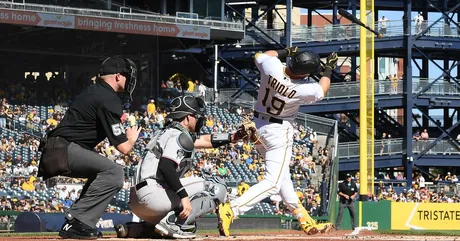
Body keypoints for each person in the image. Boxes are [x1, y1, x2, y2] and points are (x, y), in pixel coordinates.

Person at [217, 47, 338, 236]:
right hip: (278, 131)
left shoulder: (272, 66)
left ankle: (304, 220)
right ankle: (232, 208)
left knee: (283, 178)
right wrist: (329, 68)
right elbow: (322, 88)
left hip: (258, 126)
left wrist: (287, 51)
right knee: (273, 182)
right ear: (304, 73)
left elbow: (261, 55)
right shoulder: (302, 87)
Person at [37, 56, 141, 239]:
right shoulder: (108, 98)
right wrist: (131, 139)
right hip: (62, 149)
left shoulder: (95, 91)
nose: (129, 79)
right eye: (126, 75)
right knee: (114, 173)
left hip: (57, 148)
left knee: (101, 173)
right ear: (118, 76)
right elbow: (124, 148)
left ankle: (76, 222)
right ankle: (79, 221)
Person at [115, 95, 241, 239]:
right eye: (195, 115)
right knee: (217, 185)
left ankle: (137, 230)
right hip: (154, 196)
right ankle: (173, 223)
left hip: (137, 201)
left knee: (188, 228)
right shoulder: (178, 135)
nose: (199, 119)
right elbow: (166, 167)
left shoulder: (165, 133)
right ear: (187, 118)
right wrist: (184, 196)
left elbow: (205, 140)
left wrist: (235, 136)